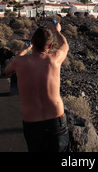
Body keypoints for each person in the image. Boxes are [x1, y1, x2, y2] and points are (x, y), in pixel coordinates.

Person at [4, 20, 70, 152]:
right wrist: (57, 31)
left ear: (32, 41)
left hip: (33, 123)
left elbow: (7, 70)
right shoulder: (55, 58)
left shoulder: (19, 62)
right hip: (56, 120)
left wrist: (23, 51)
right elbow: (65, 45)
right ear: (50, 45)